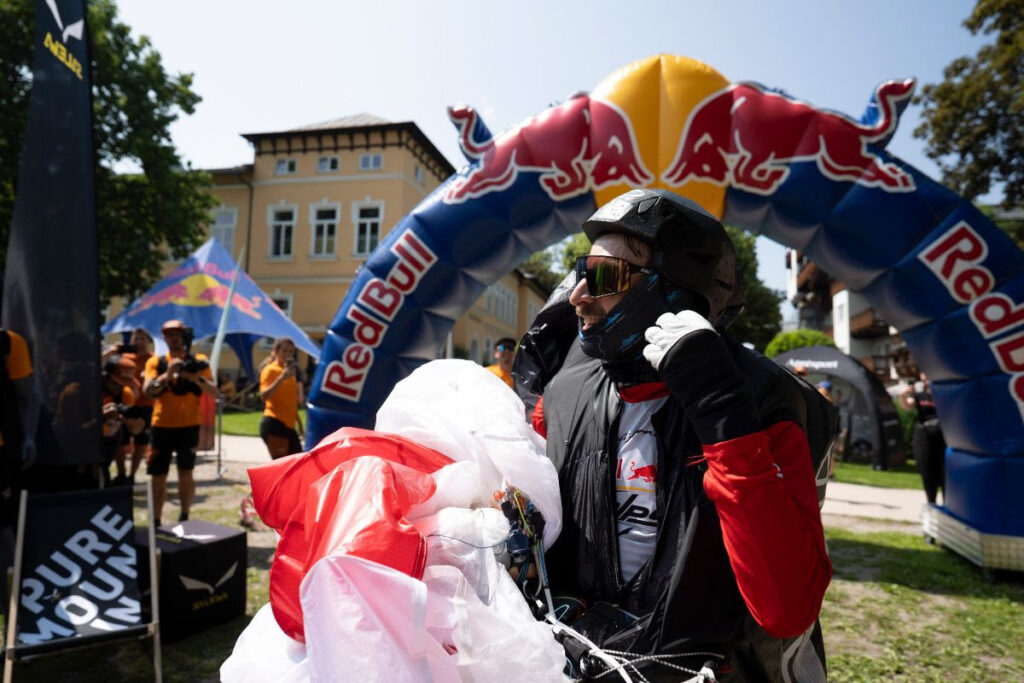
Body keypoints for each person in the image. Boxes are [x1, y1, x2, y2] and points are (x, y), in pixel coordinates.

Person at [535, 190, 832, 681]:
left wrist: (724, 416)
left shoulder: (760, 398)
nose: (577, 296)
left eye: (604, 276)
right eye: (579, 272)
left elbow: (787, 608)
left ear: (672, 289)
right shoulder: (564, 391)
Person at [143, 319, 215, 526]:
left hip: (189, 426)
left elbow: (213, 391)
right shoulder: (156, 362)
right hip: (161, 426)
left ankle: (184, 516)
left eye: (178, 334)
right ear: (164, 338)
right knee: (158, 475)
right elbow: (148, 390)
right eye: (170, 335)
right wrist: (167, 374)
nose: (175, 338)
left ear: (184, 337)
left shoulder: (199, 361)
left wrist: (195, 377)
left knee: (186, 472)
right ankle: (156, 520)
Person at [118, 328, 154, 485]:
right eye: (136, 339)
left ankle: (132, 475)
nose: (139, 342)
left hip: (145, 406)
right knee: (120, 441)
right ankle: (121, 474)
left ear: (148, 341)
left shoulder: (153, 360)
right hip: (125, 405)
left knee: (140, 442)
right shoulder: (124, 358)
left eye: (142, 338)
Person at [258, 338, 304, 459]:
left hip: (289, 426)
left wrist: (299, 424)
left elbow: (290, 402)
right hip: (274, 423)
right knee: (284, 466)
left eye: (291, 352)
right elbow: (264, 396)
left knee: (298, 462)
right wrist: (281, 378)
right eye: (284, 351)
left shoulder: (291, 373)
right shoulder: (270, 370)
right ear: (276, 351)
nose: (287, 354)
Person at [908, 372, 945, 504]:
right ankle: (931, 503)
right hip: (924, 435)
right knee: (927, 472)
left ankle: (947, 507)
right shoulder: (919, 395)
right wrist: (903, 395)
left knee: (945, 473)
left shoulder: (944, 394)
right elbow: (908, 405)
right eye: (925, 376)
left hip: (943, 436)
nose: (927, 380)